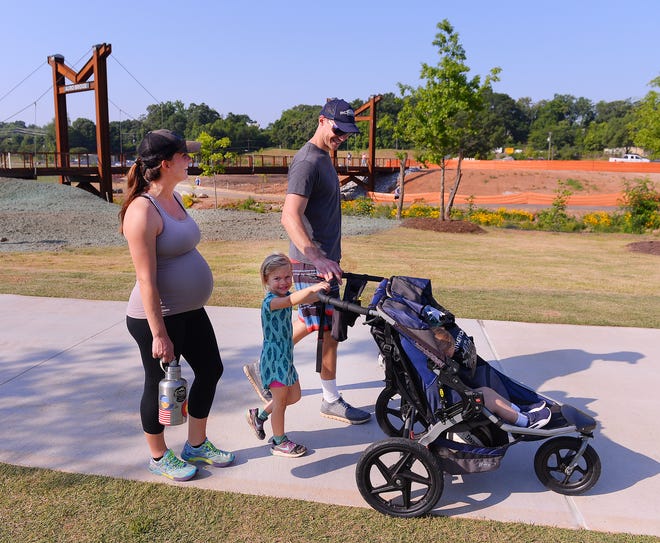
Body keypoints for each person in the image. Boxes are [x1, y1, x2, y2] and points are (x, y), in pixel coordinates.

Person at [244, 98, 370, 425]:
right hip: (309, 263)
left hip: (324, 261)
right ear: (321, 120)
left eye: (347, 133)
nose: (341, 136)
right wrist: (316, 256)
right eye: (337, 129)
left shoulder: (324, 157)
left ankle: (329, 397)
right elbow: (289, 216)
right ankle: (271, 370)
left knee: (329, 329)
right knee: (319, 324)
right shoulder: (307, 162)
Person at [119, 129, 235, 482]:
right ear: (167, 163)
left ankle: (196, 444)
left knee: (211, 369)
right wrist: (159, 334)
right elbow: (146, 281)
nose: (191, 160)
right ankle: (158, 455)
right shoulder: (142, 211)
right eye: (185, 156)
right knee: (158, 385)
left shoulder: (174, 198)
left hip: (189, 311)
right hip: (158, 317)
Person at [245, 253, 330, 457]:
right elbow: (294, 299)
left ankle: (260, 416)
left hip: (285, 358)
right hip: (274, 360)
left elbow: (305, 297)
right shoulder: (272, 302)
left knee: (294, 395)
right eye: (277, 278)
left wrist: (323, 291)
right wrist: (312, 289)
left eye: (287, 277)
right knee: (281, 403)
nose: (283, 282)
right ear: (266, 280)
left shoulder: (283, 296)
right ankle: (279, 441)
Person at [430, 327, 552, 429]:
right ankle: (525, 422)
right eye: (450, 355)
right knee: (488, 398)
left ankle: (519, 410)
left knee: (486, 390)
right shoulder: (438, 368)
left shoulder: (434, 363)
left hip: (452, 399)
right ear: (443, 354)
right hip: (449, 407)